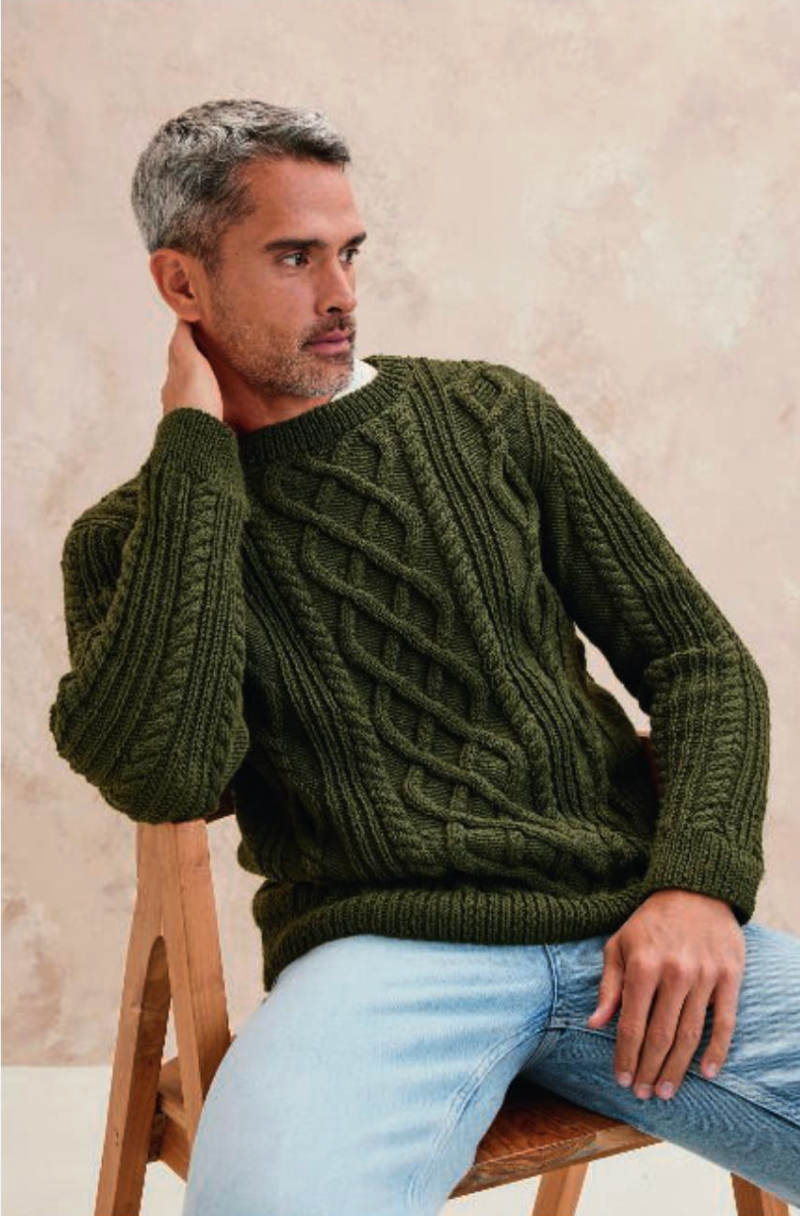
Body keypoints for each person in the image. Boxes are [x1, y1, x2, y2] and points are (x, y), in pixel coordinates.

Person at [48, 99, 800, 1214]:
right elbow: (166, 774)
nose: (341, 292)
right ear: (183, 284)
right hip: (383, 966)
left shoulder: (491, 416)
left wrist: (696, 884)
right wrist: (195, 454)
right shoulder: (130, 539)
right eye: (294, 257)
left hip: (630, 930)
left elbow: (698, 659)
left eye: (349, 251)